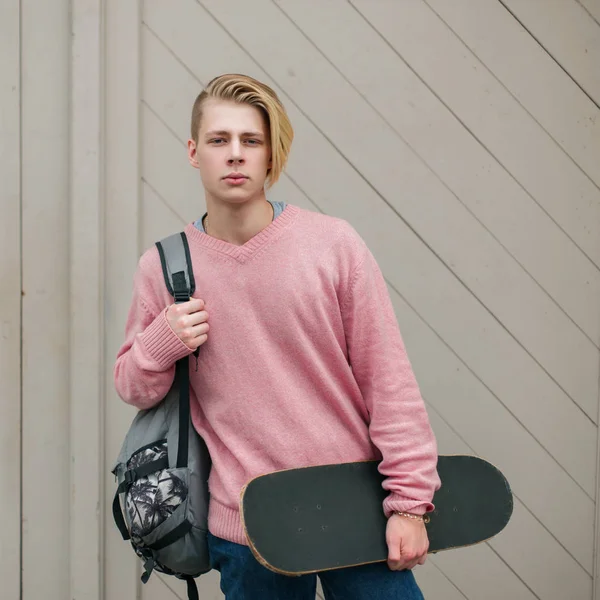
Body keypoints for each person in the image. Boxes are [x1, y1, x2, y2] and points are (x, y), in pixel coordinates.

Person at [114, 73, 441, 599]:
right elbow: (134, 387)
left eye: (252, 140)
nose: (236, 154)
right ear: (194, 152)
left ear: (271, 154)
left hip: (354, 513)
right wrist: (160, 342)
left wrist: (408, 504)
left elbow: (390, 383)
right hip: (249, 529)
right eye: (220, 140)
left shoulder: (333, 245)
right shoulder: (164, 267)